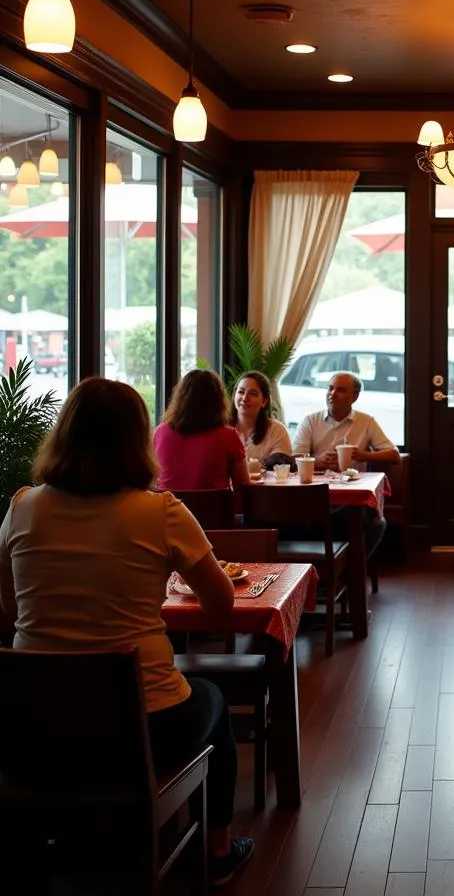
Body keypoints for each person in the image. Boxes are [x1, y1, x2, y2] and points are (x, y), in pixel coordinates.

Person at [0, 379, 254, 885]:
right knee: (212, 699)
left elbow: (9, 610)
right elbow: (221, 604)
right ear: (138, 441)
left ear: (64, 435)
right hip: (140, 732)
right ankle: (220, 852)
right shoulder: (160, 512)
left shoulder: (23, 506)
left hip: (32, 734)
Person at [293, 372, 398, 556]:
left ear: (354, 396)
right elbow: (294, 458)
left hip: (353, 498)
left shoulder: (366, 422)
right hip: (313, 496)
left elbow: (394, 455)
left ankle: (351, 571)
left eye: (340, 390)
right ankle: (323, 571)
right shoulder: (311, 420)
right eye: (330, 388)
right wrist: (317, 462)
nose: (332, 394)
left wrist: (363, 455)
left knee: (375, 523)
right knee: (295, 521)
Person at [154, 369, 249, 492]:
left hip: (169, 509)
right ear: (218, 399)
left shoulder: (160, 432)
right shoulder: (228, 436)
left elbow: (153, 481)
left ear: (180, 397)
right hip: (213, 510)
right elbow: (243, 488)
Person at [231, 370, 292, 464]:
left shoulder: (277, 431)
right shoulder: (220, 428)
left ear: (265, 401)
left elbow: (280, 470)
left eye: (253, 394)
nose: (245, 398)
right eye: (241, 392)